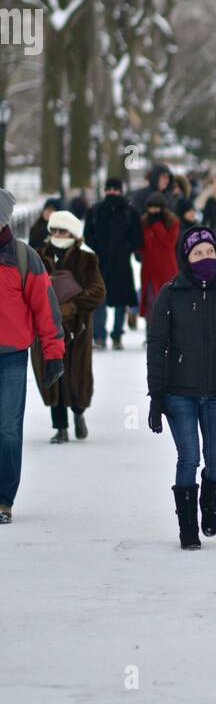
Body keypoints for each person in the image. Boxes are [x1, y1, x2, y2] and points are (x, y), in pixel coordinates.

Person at [147, 227, 216, 550]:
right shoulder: (171, 293)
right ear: (186, 258)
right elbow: (157, 344)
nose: (205, 258)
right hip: (180, 392)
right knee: (189, 457)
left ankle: (209, 502)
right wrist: (156, 395)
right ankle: (188, 528)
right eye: (197, 253)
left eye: (209, 252)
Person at [0, 189, 65, 521]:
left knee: (8, 429)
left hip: (11, 356)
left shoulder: (24, 258)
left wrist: (53, 354)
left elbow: (46, 309)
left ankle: (3, 499)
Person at [31, 210, 105, 443]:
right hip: (46, 328)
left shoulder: (86, 258)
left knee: (76, 377)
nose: (57, 234)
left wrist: (72, 306)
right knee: (53, 376)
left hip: (78, 329)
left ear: (73, 232)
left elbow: (98, 291)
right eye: (53, 229)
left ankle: (78, 413)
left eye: (62, 230)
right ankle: (60, 427)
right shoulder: (39, 256)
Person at [84, 178, 142, 349]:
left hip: (122, 263)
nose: (111, 192)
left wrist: (125, 249)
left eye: (115, 189)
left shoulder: (131, 212)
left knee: (120, 301)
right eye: (108, 189)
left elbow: (137, 237)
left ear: (120, 190)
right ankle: (99, 336)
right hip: (101, 262)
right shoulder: (95, 211)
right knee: (99, 300)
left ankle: (117, 335)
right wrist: (99, 249)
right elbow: (88, 234)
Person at [138, 193, 179, 325]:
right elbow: (140, 245)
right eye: (151, 208)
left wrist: (157, 225)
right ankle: (151, 335)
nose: (154, 211)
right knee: (150, 302)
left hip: (166, 269)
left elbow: (169, 242)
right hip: (149, 270)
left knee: (167, 303)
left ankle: (167, 335)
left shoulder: (173, 222)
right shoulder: (144, 222)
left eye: (157, 208)